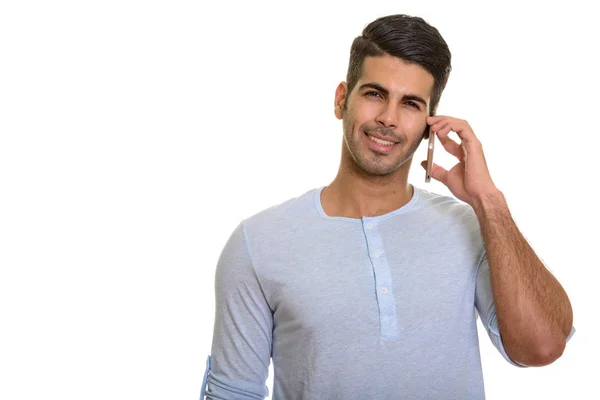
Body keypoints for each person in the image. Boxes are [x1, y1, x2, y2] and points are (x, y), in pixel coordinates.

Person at [200, 13, 575, 400]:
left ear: (431, 124)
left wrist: (488, 202)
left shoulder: (469, 227)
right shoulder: (258, 242)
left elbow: (542, 348)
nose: (388, 119)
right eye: (375, 94)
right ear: (341, 99)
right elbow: (232, 393)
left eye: (411, 104)